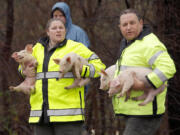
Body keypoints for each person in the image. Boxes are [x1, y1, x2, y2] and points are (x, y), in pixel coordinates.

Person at [26, 18, 105, 135]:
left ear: (65, 31)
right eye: (54, 28)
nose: (58, 30)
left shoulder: (76, 47)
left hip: (68, 117)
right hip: (41, 115)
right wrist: (26, 70)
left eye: (61, 28)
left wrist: (82, 70)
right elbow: (22, 67)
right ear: (47, 32)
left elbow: (100, 67)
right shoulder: (36, 49)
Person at [113, 9, 176, 135]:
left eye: (132, 23)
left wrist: (145, 84)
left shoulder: (149, 43)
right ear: (120, 27)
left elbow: (168, 67)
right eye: (125, 25)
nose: (128, 27)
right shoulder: (128, 44)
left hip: (145, 113)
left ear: (141, 23)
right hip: (135, 111)